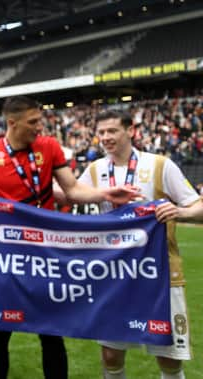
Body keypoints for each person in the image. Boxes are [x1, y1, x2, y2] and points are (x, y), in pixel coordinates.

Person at [0, 96, 139, 379]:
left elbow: (72, 190)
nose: (39, 127)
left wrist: (105, 194)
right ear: (11, 123)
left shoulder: (49, 147)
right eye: (33, 122)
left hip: (44, 257)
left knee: (52, 335)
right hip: (6, 260)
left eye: (40, 121)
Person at [77, 110, 203, 379]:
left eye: (112, 131)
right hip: (113, 274)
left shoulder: (160, 165)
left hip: (159, 274)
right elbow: (67, 194)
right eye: (101, 133)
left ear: (130, 131)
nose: (106, 137)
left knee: (167, 357)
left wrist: (179, 212)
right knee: (110, 354)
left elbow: (198, 207)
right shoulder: (95, 170)